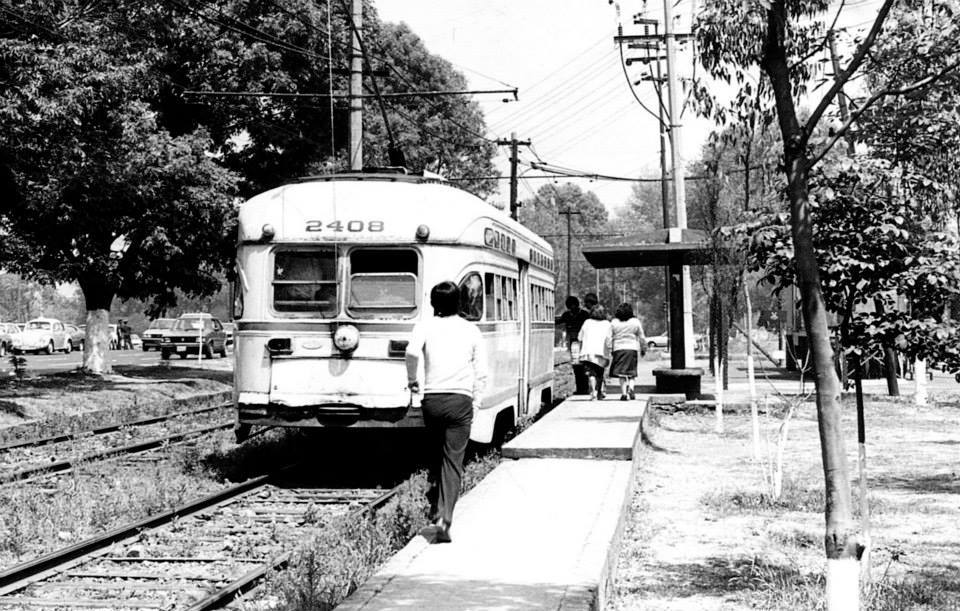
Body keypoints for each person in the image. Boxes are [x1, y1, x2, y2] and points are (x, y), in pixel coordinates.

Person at [405, 281, 487, 544]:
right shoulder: (471, 329)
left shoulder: (424, 326)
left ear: (432, 303)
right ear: (459, 302)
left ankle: (434, 505)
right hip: (461, 401)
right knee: (453, 461)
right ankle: (444, 517)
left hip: (433, 400)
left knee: (435, 455)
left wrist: (412, 381)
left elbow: (410, 352)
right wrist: (476, 402)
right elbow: (481, 371)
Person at [610, 302, 646, 400]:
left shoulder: (614, 322)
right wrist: (643, 348)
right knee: (631, 372)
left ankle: (624, 394)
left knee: (621, 373)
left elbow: (609, 337)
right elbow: (641, 336)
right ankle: (631, 387)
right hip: (632, 348)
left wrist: (610, 348)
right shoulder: (635, 322)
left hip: (618, 349)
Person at [578, 304, 612, 400]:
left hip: (588, 353)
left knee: (591, 373)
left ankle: (593, 392)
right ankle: (599, 392)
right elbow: (609, 339)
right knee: (600, 374)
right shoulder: (607, 324)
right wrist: (610, 349)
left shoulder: (587, 322)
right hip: (601, 353)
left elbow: (580, 337)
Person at [557, 296, 590, 394]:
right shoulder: (567, 315)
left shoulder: (584, 314)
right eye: (570, 306)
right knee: (576, 366)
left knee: (583, 365)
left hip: (583, 342)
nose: (572, 308)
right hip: (573, 343)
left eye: (574, 306)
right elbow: (559, 321)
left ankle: (584, 388)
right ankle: (580, 388)